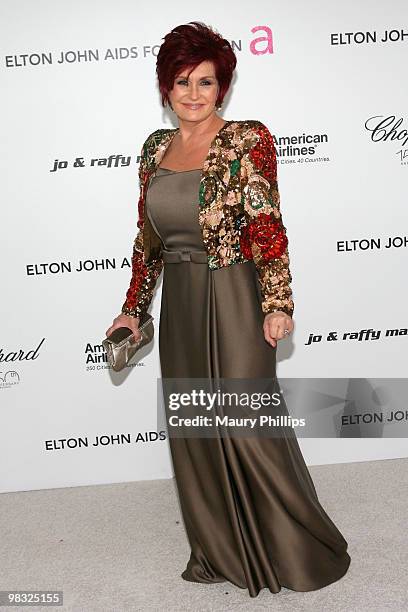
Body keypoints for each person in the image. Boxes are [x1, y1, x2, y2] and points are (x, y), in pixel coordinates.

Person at [106, 21, 351, 598]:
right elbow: (149, 243)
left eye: (207, 82)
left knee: (246, 423)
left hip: (236, 293)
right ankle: (219, 548)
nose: (193, 94)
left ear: (224, 88)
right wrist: (132, 311)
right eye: (182, 82)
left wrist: (277, 303)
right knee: (196, 426)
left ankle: (297, 549)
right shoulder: (153, 150)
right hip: (182, 305)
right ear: (165, 88)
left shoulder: (247, 139)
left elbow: (268, 228)